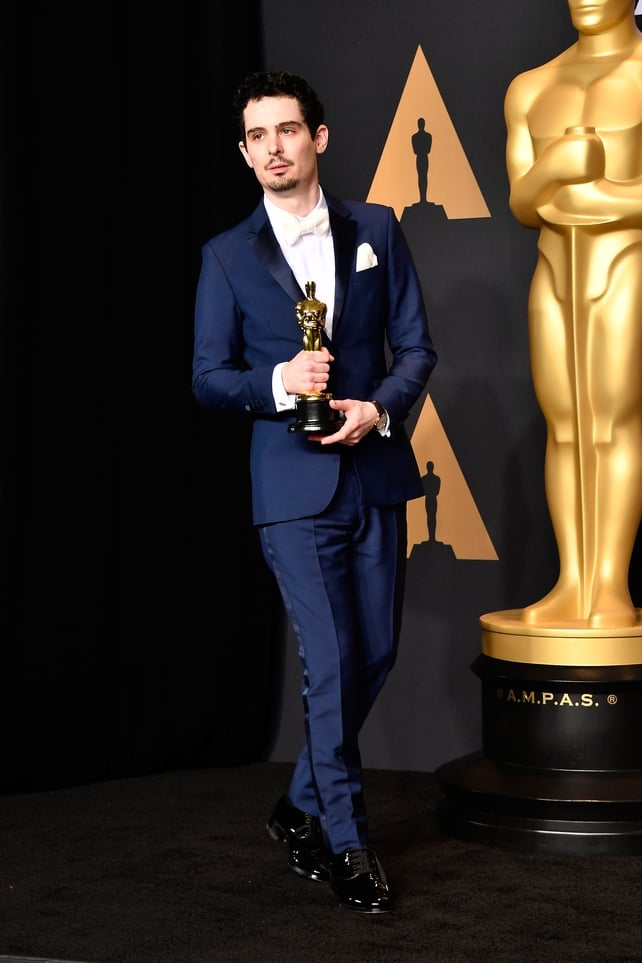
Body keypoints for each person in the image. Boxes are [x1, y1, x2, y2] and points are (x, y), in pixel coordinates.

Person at [192, 70, 437, 913]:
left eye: (287, 131)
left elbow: (416, 349)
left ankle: (297, 804)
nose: (273, 148)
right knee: (330, 664)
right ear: (245, 152)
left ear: (318, 139)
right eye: (258, 137)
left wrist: (379, 408)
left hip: (372, 474)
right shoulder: (226, 256)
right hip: (292, 493)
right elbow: (207, 378)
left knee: (374, 655)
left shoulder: (376, 228)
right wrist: (277, 379)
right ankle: (344, 841)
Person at [504, 0, 642, 629]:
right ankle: (573, 582)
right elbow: (523, 201)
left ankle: (609, 586)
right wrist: (556, 169)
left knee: (612, 422)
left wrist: (599, 195)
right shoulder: (531, 86)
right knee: (565, 426)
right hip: (554, 268)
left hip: (625, 265)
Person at [411, 118, 433, 204]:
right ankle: (422, 199)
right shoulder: (415, 137)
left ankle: (424, 198)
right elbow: (415, 151)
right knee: (421, 176)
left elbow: (428, 150)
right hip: (420, 158)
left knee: (424, 176)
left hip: (424, 157)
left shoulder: (428, 136)